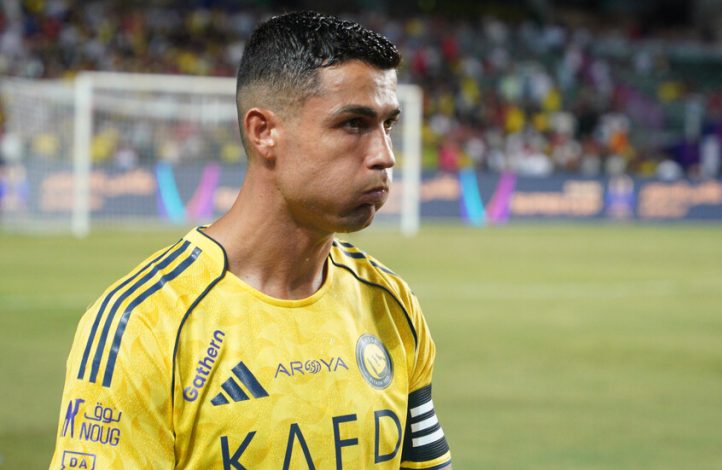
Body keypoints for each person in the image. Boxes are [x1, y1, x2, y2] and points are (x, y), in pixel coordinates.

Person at [50, 11, 451, 469]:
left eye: (388, 125)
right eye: (353, 124)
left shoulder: (392, 306)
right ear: (264, 132)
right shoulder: (142, 326)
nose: (384, 155)